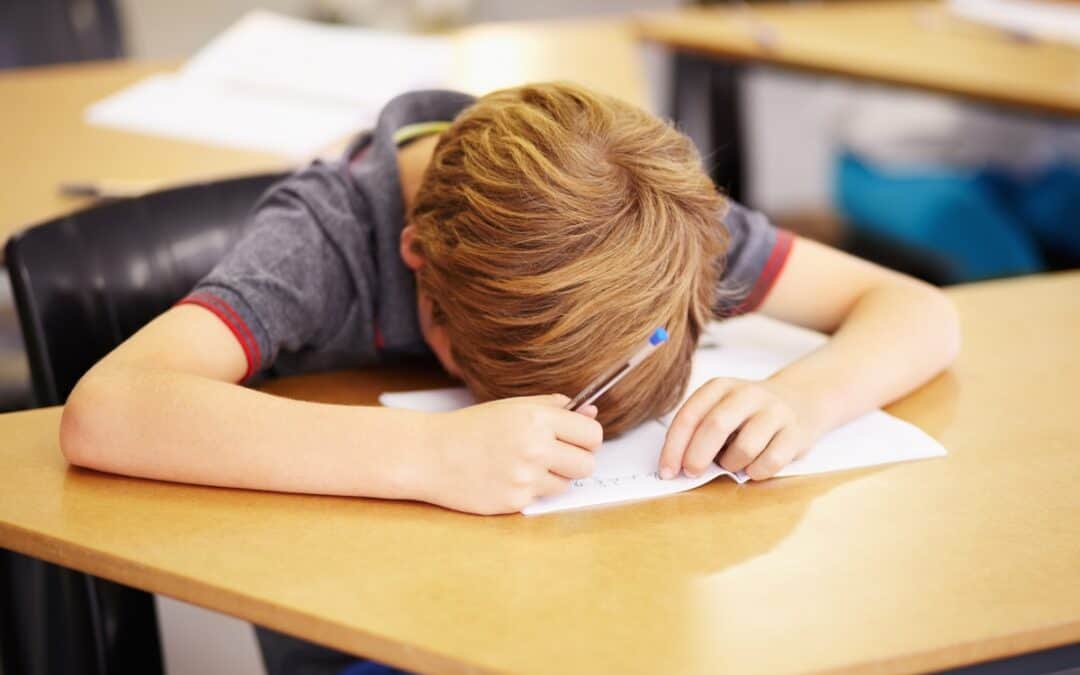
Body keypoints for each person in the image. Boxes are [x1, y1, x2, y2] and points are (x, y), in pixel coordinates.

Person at [60, 82, 960, 515]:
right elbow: (107, 411)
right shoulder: (324, 237)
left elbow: (920, 310)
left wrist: (806, 397)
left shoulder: (649, 214)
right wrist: (426, 454)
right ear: (418, 262)